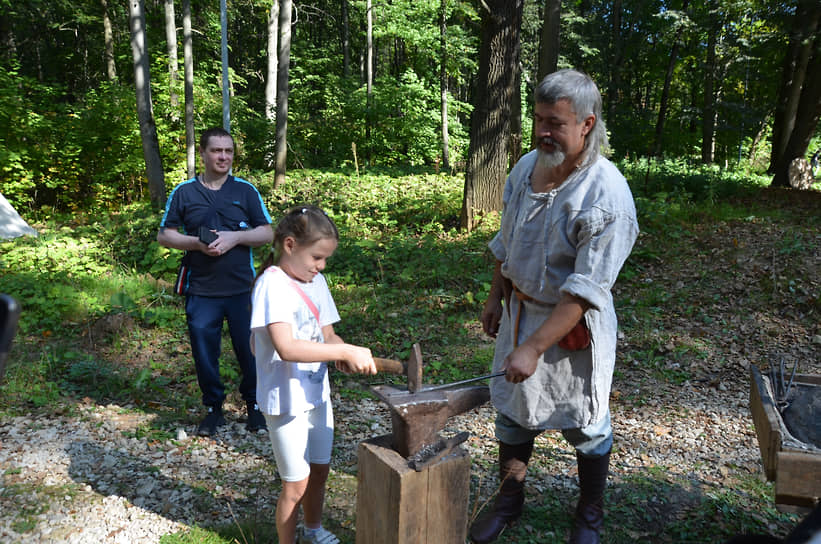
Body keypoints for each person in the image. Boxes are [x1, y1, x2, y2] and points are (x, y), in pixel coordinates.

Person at [469, 69, 639, 544]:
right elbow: (508, 240)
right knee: (512, 414)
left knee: (587, 425)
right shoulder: (526, 167)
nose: (543, 131)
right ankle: (509, 501)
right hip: (521, 311)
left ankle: (589, 516)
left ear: (587, 124)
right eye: (539, 119)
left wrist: (534, 348)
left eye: (555, 123)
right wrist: (495, 295)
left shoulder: (607, 196)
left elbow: (586, 289)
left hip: (571, 327)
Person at [251, 205, 377, 544]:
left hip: (316, 393)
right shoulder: (271, 285)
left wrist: (342, 350)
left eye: (325, 260)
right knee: (296, 483)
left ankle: (313, 528)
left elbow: (328, 334)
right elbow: (287, 347)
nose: (321, 267)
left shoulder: (316, 282)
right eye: (316, 258)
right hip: (286, 400)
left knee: (320, 470)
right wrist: (341, 351)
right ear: (290, 245)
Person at [157, 127, 274, 436]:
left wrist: (236, 237)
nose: (224, 157)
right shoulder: (184, 192)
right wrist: (196, 243)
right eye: (217, 151)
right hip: (201, 290)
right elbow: (165, 234)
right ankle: (213, 409)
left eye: (229, 151)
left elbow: (268, 232)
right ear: (204, 153)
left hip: (242, 289)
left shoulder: (245, 190)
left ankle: (255, 407)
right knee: (204, 353)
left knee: (250, 351)